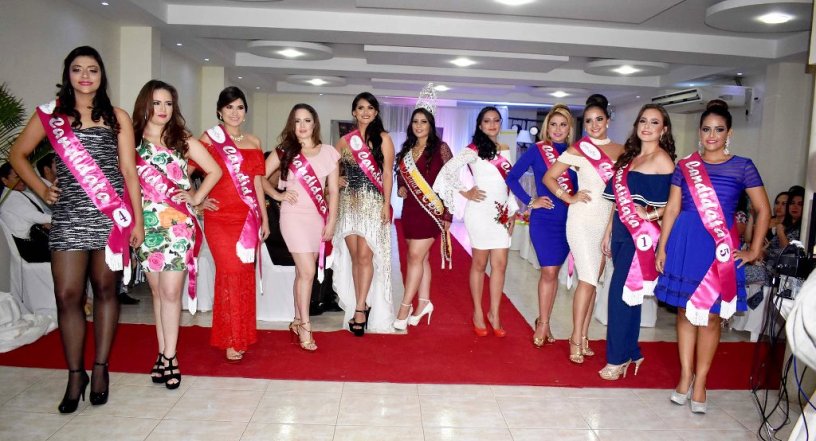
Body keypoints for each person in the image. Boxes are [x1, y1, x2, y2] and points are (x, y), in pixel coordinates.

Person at [8, 46, 144, 413]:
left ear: (102, 76)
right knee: (67, 295)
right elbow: (17, 155)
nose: (85, 76)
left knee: (105, 290)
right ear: (67, 74)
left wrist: (139, 221)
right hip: (68, 214)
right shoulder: (52, 115)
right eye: (77, 69)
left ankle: (100, 368)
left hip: (110, 216)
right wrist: (41, 188)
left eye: (93, 70)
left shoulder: (117, 117)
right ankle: (74, 374)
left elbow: (129, 171)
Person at [655, 100, 770, 414]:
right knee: (684, 312)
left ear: (729, 132)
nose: (711, 135)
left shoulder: (743, 166)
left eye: (719, 129)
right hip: (686, 241)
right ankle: (684, 375)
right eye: (706, 129)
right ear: (699, 132)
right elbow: (673, 208)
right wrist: (662, 246)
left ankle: (702, 381)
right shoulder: (686, 166)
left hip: (719, 248)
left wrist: (755, 249)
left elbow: (763, 210)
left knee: (712, 316)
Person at [132, 80, 221, 388]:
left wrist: (195, 199)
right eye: (157, 103)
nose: (163, 109)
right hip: (146, 225)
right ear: (145, 104)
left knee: (171, 293)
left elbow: (214, 170)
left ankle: (170, 357)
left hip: (178, 226)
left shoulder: (181, 139)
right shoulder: (132, 141)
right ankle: (162, 351)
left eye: (168, 103)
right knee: (158, 293)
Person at [544, 94, 623, 363]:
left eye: (599, 119)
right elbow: (549, 176)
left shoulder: (622, 151)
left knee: (594, 283)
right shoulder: (578, 149)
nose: (594, 124)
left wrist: (612, 226)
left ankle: (585, 335)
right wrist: (568, 197)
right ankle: (575, 338)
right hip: (581, 219)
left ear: (608, 121)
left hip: (605, 222)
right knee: (588, 279)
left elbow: (620, 192)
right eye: (588, 121)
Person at [599, 104, 676, 380]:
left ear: (663, 129)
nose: (647, 126)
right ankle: (632, 351)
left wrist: (651, 213)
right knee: (629, 296)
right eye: (643, 121)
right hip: (621, 230)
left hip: (640, 236)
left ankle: (616, 359)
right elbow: (617, 202)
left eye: (654, 122)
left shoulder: (662, 160)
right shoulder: (629, 158)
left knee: (619, 295)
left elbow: (675, 203)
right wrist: (608, 229)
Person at [196, 86, 269, 361]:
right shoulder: (209, 139)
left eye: (239, 107)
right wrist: (196, 201)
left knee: (243, 275)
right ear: (219, 111)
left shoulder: (254, 141)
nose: (234, 113)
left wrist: (263, 217)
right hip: (220, 219)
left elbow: (257, 183)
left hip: (247, 218)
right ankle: (229, 337)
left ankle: (243, 334)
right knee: (229, 273)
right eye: (229, 107)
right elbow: (184, 171)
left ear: (245, 111)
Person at [434, 106, 517, 337]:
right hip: (479, 212)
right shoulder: (473, 150)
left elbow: (510, 183)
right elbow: (447, 171)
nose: (492, 125)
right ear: (480, 125)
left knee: (500, 265)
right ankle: (479, 313)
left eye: (496, 121)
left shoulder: (507, 149)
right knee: (480, 264)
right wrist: (466, 191)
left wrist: (512, 212)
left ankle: (495, 314)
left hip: (500, 213)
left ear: (500, 123)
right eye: (487, 121)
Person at [264, 104, 340, 351]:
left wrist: (331, 222)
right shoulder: (285, 151)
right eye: (297, 121)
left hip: (317, 217)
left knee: (302, 272)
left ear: (314, 123)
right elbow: (258, 176)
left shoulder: (328, 152)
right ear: (291, 124)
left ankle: (297, 320)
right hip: (293, 216)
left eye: (307, 120)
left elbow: (334, 192)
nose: (302, 126)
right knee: (308, 272)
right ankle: (306, 326)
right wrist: (277, 195)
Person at [506, 104, 576, 346]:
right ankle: (544, 323)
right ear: (547, 127)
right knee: (548, 271)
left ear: (569, 129)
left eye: (563, 125)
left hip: (571, 220)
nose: (557, 130)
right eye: (553, 124)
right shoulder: (537, 151)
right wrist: (530, 201)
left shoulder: (578, 153)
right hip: (545, 220)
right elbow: (512, 177)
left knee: (555, 272)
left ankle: (544, 320)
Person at [332, 92, 395, 335]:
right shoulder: (345, 141)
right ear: (353, 112)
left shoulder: (383, 138)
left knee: (366, 257)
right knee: (355, 257)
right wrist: (334, 180)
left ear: (376, 112)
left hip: (372, 203)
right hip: (348, 205)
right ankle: (361, 301)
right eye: (360, 108)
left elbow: (388, 174)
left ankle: (360, 308)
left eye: (370, 108)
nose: (365, 112)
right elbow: (331, 168)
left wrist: (386, 204)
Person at [393, 107, 452, 331]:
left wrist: (448, 213)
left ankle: (405, 306)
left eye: (424, 122)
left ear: (431, 125)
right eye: (415, 122)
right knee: (421, 258)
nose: (419, 126)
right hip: (410, 210)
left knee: (415, 257)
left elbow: (451, 180)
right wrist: (400, 188)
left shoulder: (441, 148)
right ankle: (424, 303)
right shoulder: (407, 149)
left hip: (431, 211)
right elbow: (400, 176)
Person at [0, 162, 52, 262]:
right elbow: (35, 216)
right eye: (16, 177)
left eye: (21, 175)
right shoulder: (10, 199)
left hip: (38, 236)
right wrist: (60, 218)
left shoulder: (19, 192)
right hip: (31, 246)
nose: (21, 180)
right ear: (5, 180)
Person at [765, 185, 804, 272]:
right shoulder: (786, 225)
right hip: (765, 265)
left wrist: (780, 232)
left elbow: (788, 253)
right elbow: (771, 248)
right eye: (792, 203)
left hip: (775, 272)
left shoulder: (803, 230)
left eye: (800, 204)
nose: (795, 207)